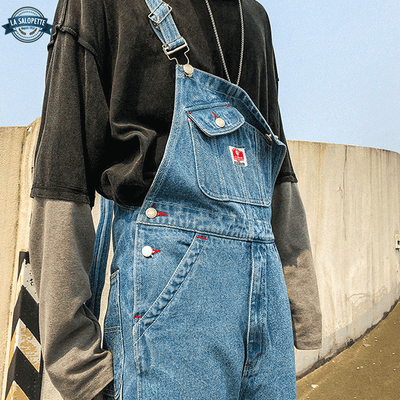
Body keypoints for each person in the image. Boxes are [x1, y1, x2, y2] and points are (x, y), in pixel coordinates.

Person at [29, 0, 322, 399]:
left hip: (266, 302)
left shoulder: (255, 17)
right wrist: (75, 360)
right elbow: (63, 174)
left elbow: (275, 160)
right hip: (170, 303)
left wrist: (300, 305)